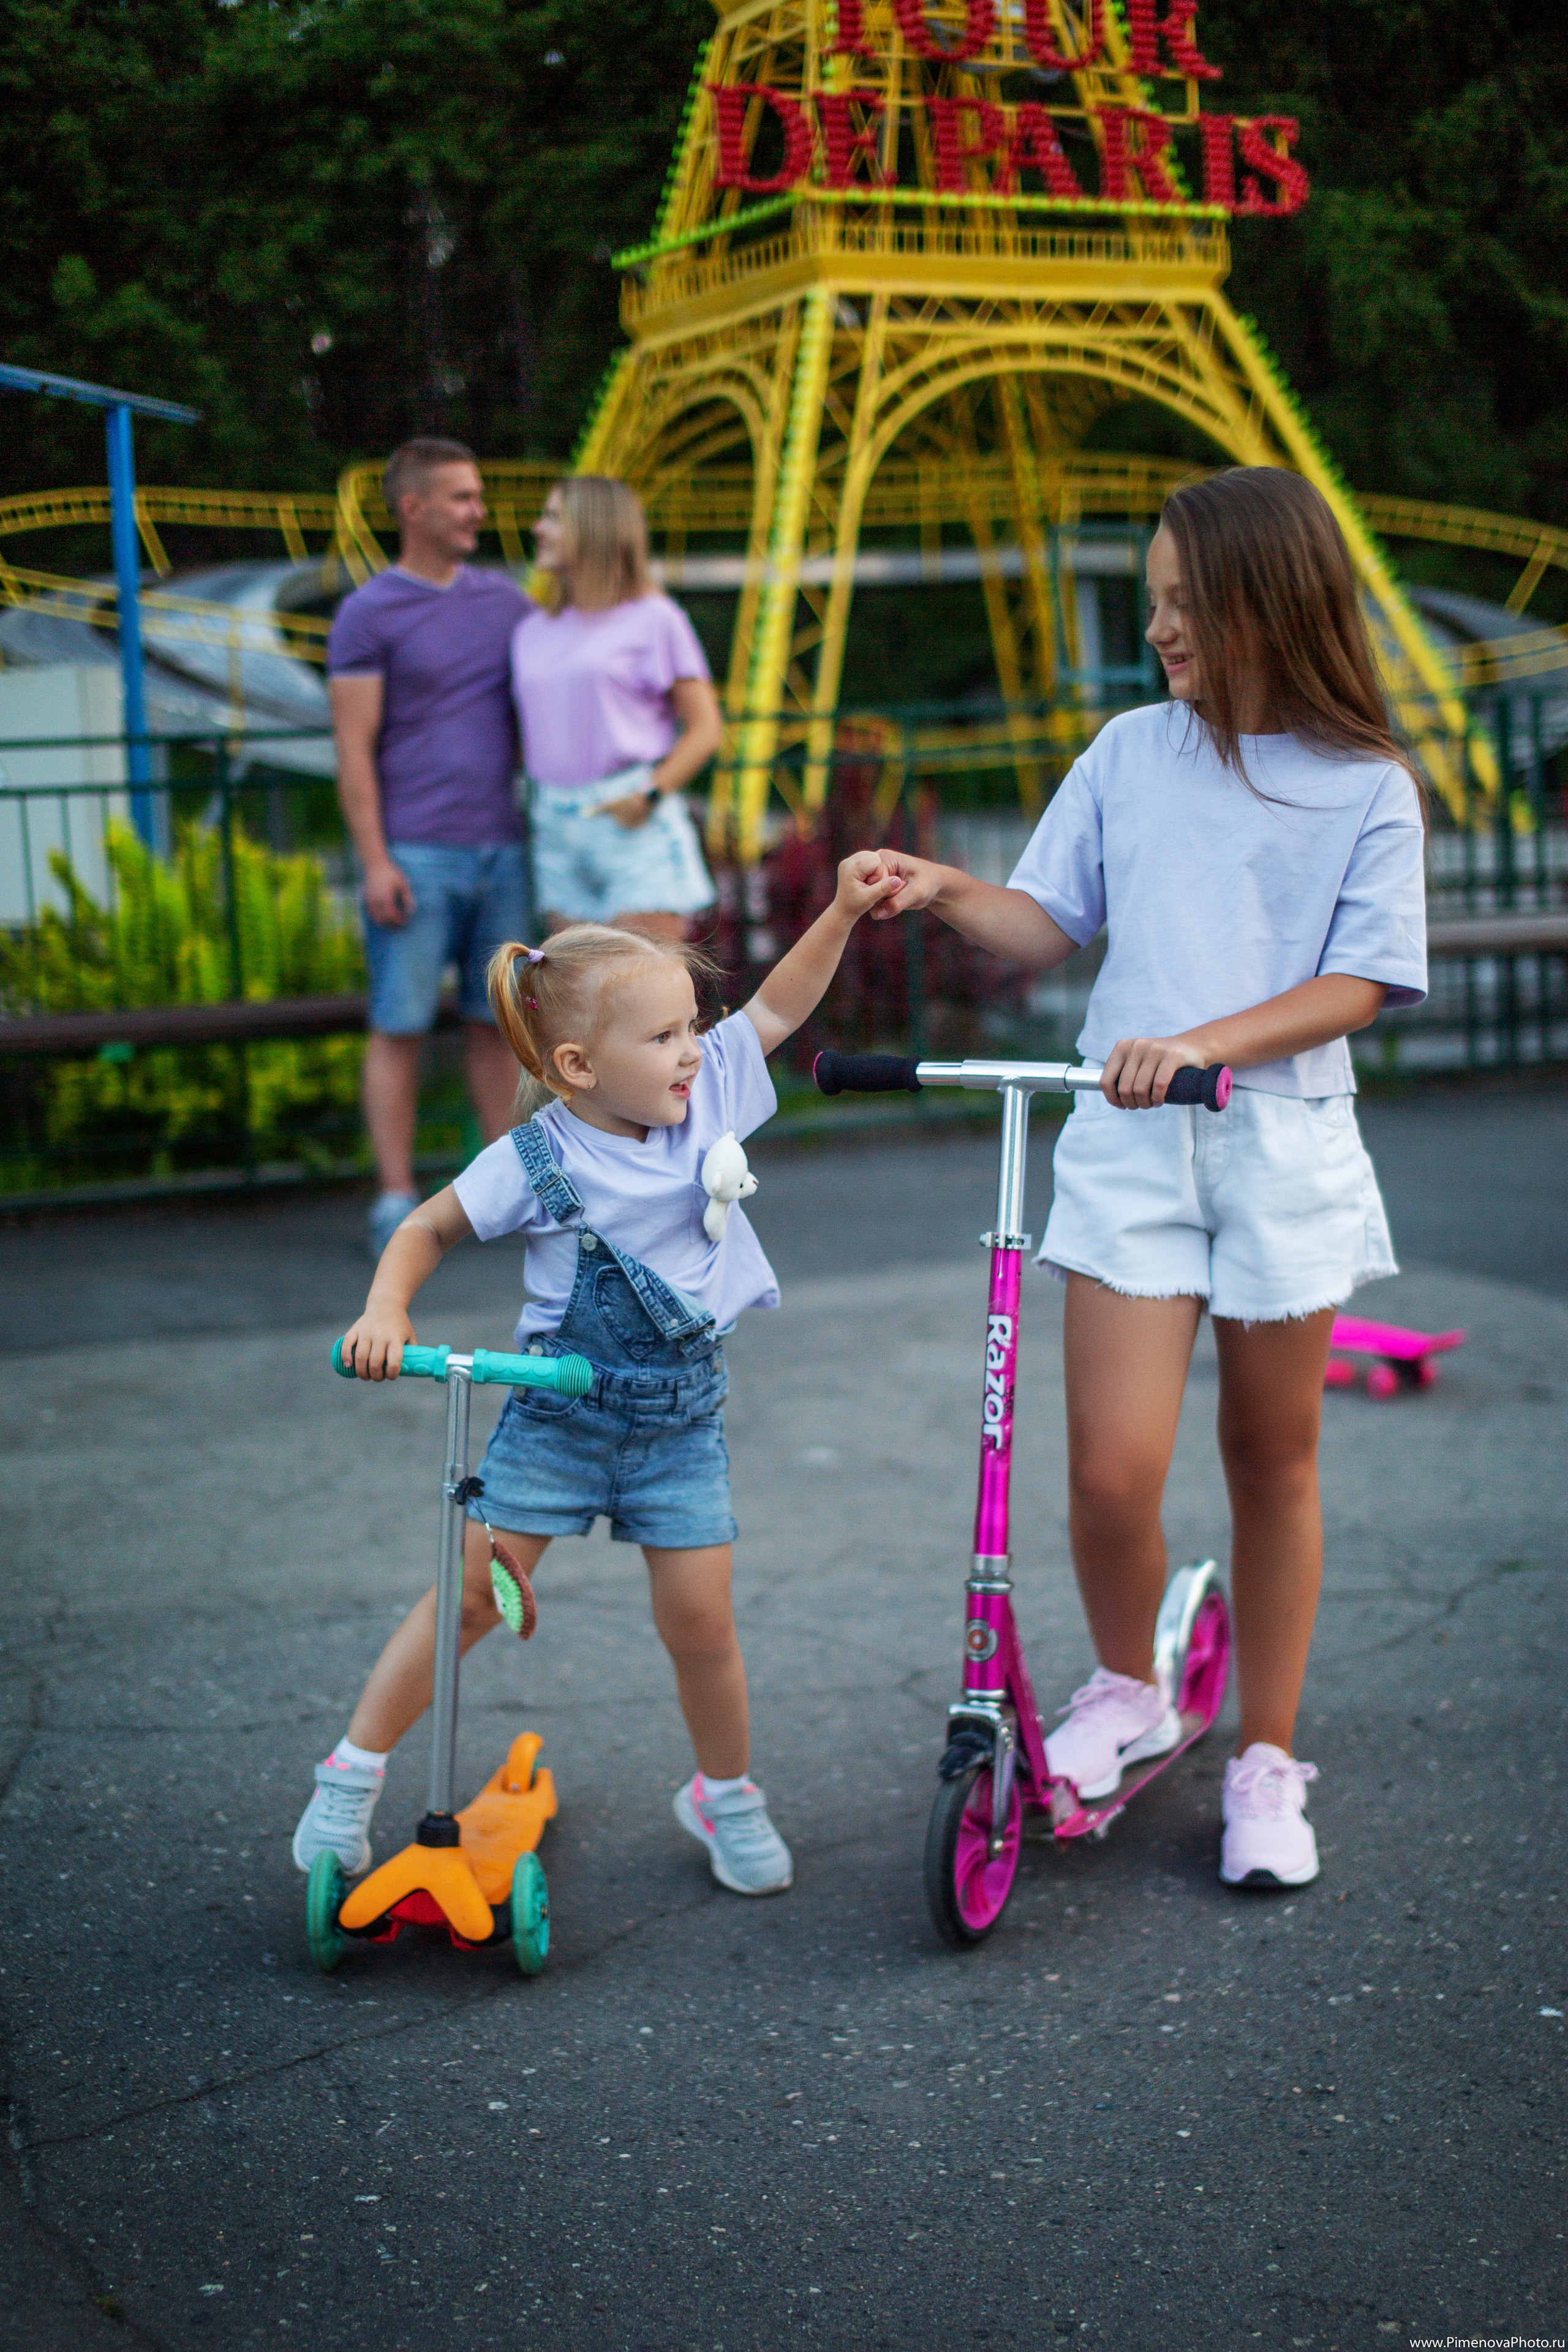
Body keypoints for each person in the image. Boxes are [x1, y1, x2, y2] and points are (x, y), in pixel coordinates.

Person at [870, 466, 1428, 1890]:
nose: (1160, 630)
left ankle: (1264, 1755)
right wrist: (939, 885)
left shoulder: (1363, 784)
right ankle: (1127, 1687)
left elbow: (1359, 980)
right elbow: (1046, 924)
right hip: (1125, 1142)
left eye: (1183, 603)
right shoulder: (1128, 752)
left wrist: (1195, 1042)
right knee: (1112, 1473)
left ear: (1266, 603)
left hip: (1277, 1139)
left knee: (1268, 1458)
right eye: (1152, 603)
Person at [292, 851, 903, 1898]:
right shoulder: (538, 1158)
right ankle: (347, 1780)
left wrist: (843, 910)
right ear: (578, 1066)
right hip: (556, 1423)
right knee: (473, 1602)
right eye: (664, 1037)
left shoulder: (708, 1100)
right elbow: (429, 1228)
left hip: (679, 1429)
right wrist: (386, 1308)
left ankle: (725, 1791)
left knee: (703, 1624)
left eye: (691, 1028)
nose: (691, 1054)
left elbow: (781, 1005)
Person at [328, 437, 533, 1261]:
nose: (478, 510)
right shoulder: (369, 612)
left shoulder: (508, 604)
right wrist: (375, 860)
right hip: (414, 854)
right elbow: (352, 749)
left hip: (504, 851)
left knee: (497, 1028)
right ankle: (394, 1198)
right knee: (401, 1024)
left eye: (478, 495)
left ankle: (502, 1189)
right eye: (461, 497)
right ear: (412, 508)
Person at [513, 476, 723, 942]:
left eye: (552, 517)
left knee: (649, 998)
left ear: (595, 528)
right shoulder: (532, 629)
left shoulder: (655, 618)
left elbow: (706, 729)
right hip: (555, 823)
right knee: (578, 1000)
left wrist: (648, 797)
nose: (537, 529)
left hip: (631, 821)